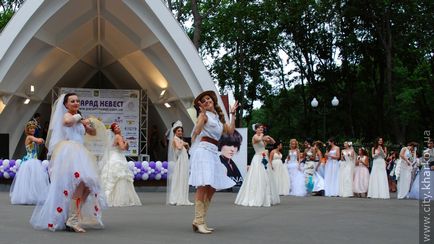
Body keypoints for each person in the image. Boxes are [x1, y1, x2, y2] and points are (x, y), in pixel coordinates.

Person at [30, 93, 104, 232]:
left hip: (80, 152)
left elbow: (92, 133)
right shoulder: (66, 116)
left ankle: (74, 215)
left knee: (89, 184)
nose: (76, 103)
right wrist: (80, 118)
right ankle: (72, 220)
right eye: (72, 101)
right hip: (69, 152)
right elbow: (67, 122)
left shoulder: (79, 118)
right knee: (77, 184)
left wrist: (89, 124)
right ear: (66, 105)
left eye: (77, 100)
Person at [188, 90, 238, 234]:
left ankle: (200, 220)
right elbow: (196, 132)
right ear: (201, 105)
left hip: (213, 152)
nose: (207, 101)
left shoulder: (217, 118)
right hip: (203, 150)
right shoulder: (204, 116)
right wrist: (202, 115)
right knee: (203, 185)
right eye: (203, 100)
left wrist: (232, 114)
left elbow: (230, 131)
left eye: (208, 99)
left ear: (213, 101)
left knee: (213, 186)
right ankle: (199, 221)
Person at [235, 123, 280, 206]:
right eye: (259, 128)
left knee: (266, 175)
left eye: (262, 128)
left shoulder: (262, 137)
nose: (261, 129)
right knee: (257, 175)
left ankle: (266, 197)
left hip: (264, 158)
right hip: (258, 158)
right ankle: (255, 196)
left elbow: (273, 142)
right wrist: (262, 136)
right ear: (256, 130)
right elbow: (259, 139)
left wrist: (269, 137)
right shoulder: (255, 136)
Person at [101, 123, 142, 207]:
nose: (118, 128)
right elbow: (123, 148)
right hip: (117, 157)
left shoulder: (118, 137)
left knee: (116, 176)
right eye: (116, 128)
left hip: (116, 156)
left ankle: (112, 197)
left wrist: (126, 144)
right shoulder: (118, 137)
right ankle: (120, 198)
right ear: (113, 131)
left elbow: (125, 148)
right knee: (120, 176)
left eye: (118, 126)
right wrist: (126, 142)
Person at [10, 121, 49, 205]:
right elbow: (38, 141)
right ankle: (27, 197)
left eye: (33, 128)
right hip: (30, 161)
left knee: (33, 180)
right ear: (27, 129)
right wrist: (41, 139)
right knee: (29, 179)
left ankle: (33, 196)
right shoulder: (29, 137)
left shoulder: (32, 137)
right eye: (31, 128)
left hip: (34, 160)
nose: (32, 130)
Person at [166, 120, 193, 206]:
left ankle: (183, 197)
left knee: (183, 178)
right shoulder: (175, 139)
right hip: (180, 161)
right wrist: (184, 143)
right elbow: (179, 147)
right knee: (180, 178)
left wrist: (186, 145)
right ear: (175, 132)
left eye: (181, 131)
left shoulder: (179, 139)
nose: (180, 132)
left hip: (184, 160)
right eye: (178, 131)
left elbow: (186, 149)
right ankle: (178, 198)